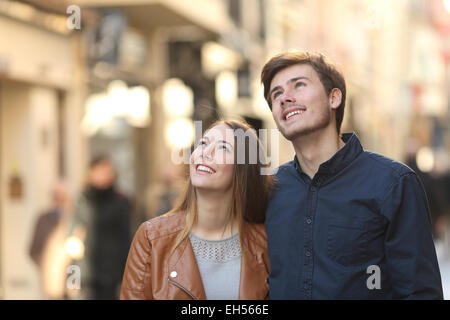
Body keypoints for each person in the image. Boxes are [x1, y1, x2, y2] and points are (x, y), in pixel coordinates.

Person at [260, 51, 443, 299]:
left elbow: (419, 292)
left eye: (299, 85)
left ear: (334, 97)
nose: (285, 98)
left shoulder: (393, 183)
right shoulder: (269, 189)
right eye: (276, 94)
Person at [120, 120, 273, 300]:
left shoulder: (265, 243)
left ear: (244, 170)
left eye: (223, 148)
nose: (205, 153)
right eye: (203, 143)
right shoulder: (151, 238)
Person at [68, 155, 132, 299]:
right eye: (98, 170)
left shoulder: (121, 202)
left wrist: (126, 274)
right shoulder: (82, 201)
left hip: (113, 274)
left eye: (106, 170)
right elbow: (73, 234)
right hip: (87, 273)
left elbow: (126, 238)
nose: (102, 175)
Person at [29, 181, 72, 299]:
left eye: (62, 198)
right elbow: (33, 250)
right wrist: (47, 264)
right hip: (52, 278)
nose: (59, 201)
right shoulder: (43, 220)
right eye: (56, 197)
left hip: (74, 275)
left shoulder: (74, 219)